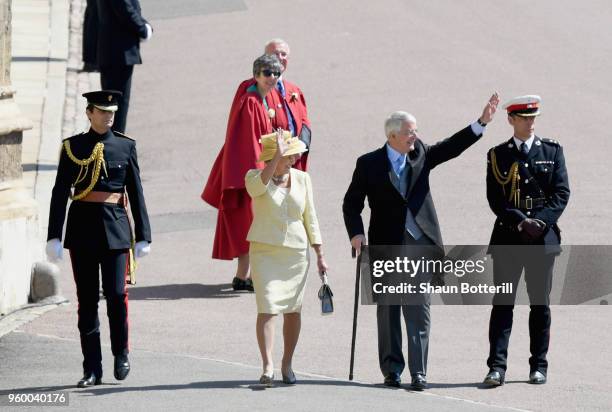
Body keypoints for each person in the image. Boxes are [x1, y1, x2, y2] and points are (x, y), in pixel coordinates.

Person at [342, 94, 500, 390]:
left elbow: (450, 148)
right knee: (388, 309)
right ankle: (392, 370)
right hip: (386, 245)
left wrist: (481, 123)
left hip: (419, 244)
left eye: (415, 131)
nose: (415, 136)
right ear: (392, 135)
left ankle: (419, 372)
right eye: (409, 132)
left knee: (418, 309)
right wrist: (356, 233)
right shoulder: (369, 164)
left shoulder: (421, 154)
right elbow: (351, 204)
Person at [46, 90, 152, 388]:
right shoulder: (73, 147)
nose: (108, 116)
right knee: (88, 300)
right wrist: (54, 234)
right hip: (82, 230)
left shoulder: (125, 146)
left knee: (117, 295)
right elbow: (59, 193)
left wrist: (144, 235)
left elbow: (136, 192)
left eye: (112, 112)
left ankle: (121, 352)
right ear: (89, 113)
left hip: (116, 229)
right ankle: (92, 367)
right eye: (102, 112)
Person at [483, 95, 570, 387]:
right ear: (511, 120)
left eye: (533, 118)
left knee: (540, 305)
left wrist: (541, 221)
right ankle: (497, 367)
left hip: (542, 240)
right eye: (524, 118)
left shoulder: (552, 151)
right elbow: (495, 199)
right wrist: (520, 220)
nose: (530, 123)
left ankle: (539, 366)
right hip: (509, 238)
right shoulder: (497, 154)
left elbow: (561, 193)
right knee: (503, 304)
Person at [245, 130, 328, 386]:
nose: (293, 160)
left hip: (296, 253)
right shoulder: (254, 177)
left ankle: (287, 363)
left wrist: (320, 254)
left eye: (293, 156)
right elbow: (257, 188)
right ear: (274, 156)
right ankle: (267, 365)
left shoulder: (303, 179)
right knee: (268, 308)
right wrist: (277, 155)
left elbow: (310, 217)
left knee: (293, 311)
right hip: (265, 252)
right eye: (288, 156)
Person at [201, 55, 283, 291]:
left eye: (276, 74)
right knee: (254, 224)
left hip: (252, 169)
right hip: (250, 173)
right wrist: (265, 176)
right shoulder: (251, 102)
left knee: (248, 225)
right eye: (267, 73)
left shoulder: (262, 97)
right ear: (256, 74)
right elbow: (250, 145)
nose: (272, 78)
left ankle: (241, 276)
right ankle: (255, 277)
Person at [233, 38, 312, 170]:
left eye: (284, 54)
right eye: (275, 54)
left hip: (293, 160)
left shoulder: (294, 90)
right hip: (270, 164)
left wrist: (301, 146)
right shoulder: (255, 90)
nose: (280, 58)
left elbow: (305, 122)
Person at [96, 0, 153, 133]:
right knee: (117, 109)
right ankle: (115, 150)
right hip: (118, 52)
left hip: (113, 50)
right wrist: (143, 29)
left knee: (113, 108)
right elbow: (125, 9)